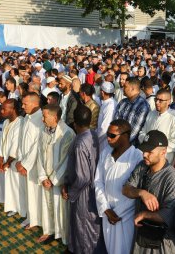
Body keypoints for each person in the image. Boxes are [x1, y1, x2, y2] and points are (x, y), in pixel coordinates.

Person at [122, 130, 175, 254]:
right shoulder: (142, 166)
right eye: (144, 150)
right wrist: (141, 193)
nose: (144, 155)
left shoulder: (172, 178)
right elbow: (126, 189)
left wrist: (144, 215)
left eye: (150, 152)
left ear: (163, 152)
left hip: (161, 243)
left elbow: (169, 214)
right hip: (141, 239)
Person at [62, 105, 106, 254]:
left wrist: (71, 192)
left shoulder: (80, 143)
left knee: (84, 225)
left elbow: (83, 176)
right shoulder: (93, 134)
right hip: (92, 187)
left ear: (75, 123)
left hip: (83, 191)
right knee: (88, 224)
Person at [94, 119, 143, 254]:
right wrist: (106, 209)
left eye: (112, 135)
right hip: (108, 213)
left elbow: (138, 189)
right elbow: (98, 181)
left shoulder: (137, 156)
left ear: (126, 136)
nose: (108, 139)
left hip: (126, 216)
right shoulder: (105, 153)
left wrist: (118, 213)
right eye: (108, 134)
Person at [37, 104, 76, 245]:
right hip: (46, 178)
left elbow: (67, 160)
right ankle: (49, 231)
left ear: (55, 117)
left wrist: (53, 179)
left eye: (44, 116)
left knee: (61, 209)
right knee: (47, 207)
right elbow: (40, 153)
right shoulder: (44, 130)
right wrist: (42, 176)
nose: (42, 119)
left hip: (59, 180)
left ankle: (64, 236)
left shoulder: (67, 133)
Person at [17, 93, 44, 229]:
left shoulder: (40, 118)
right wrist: (21, 161)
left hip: (34, 164)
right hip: (25, 162)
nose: (22, 106)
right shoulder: (28, 117)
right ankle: (31, 217)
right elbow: (23, 140)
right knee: (29, 192)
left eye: (25, 104)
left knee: (35, 193)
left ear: (34, 104)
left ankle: (36, 220)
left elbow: (37, 145)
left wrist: (26, 164)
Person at [138, 89, 175, 164]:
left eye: (160, 100)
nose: (157, 102)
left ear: (169, 101)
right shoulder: (151, 114)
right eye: (156, 99)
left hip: (163, 161)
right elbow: (142, 133)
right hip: (146, 157)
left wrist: (154, 149)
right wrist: (147, 144)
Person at [0, 99, 24, 217]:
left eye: (4, 109)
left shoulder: (20, 123)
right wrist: (1, 159)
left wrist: (8, 162)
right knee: (10, 185)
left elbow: (16, 145)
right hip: (6, 159)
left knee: (17, 186)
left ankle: (20, 208)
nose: (2, 111)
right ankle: (13, 207)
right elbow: (2, 141)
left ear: (13, 109)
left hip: (15, 160)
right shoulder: (5, 122)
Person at [114, 77, 150, 145]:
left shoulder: (143, 106)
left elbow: (134, 132)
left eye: (125, 86)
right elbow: (115, 122)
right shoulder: (122, 102)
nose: (123, 88)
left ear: (132, 89)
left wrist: (120, 142)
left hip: (130, 146)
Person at [97, 81, 117, 150]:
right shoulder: (107, 103)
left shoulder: (110, 106)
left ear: (102, 93)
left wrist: (96, 140)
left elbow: (104, 128)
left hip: (104, 142)